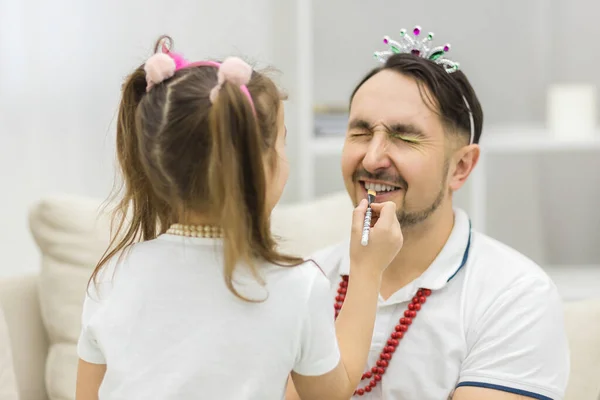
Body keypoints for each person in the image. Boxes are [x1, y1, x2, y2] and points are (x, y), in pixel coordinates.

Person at [74, 36, 403, 399]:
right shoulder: (297, 286)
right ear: (256, 165)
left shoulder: (111, 275)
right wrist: (368, 269)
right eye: (282, 142)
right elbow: (331, 393)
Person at [306, 26, 570, 399]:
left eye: (405, 137)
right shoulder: (307, 280)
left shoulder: (515, 295)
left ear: (461, 167)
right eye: (361, 133)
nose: (373, 158)